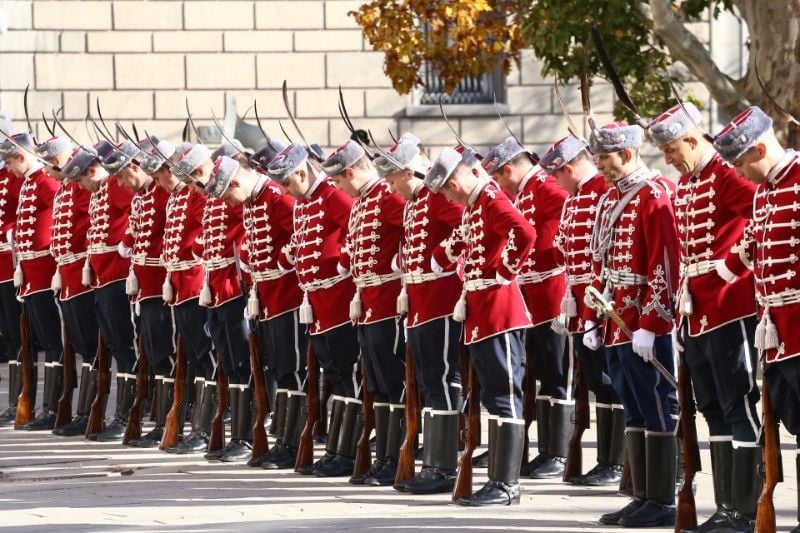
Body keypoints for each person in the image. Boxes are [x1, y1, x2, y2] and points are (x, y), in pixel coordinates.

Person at [650, 102, 761, 532]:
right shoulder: (691, 181)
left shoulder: (726, 175)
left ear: (694, 140)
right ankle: (727, 506)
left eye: (673, 149)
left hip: (729, 304)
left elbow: (764, 211)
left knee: (738, 405)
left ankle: (748, 508)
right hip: (695, 308)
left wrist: (737, 261)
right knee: (712, 407)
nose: (669, 159)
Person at [425, 146, 535, 506]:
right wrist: (443, 255)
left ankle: (507, 484)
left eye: (448, 189)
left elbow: (525, 232)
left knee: (505, 395)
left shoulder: (488, 196)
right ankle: (499, 480)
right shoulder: (477, 203)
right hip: (479, 310)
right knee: (492, 394)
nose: (449, 196)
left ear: (457, 179)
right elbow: (470, 238)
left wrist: (504, 271)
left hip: (498, 309)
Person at [583, 122, 680, 528]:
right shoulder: (611, 199)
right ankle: (642, 495)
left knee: (656, 405)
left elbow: (663, 261)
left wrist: (652, 323)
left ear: (626, 153)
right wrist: (593, 317)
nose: (599, 166)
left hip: (640, 318)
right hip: (614, 317)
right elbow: (601, 262)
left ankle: (661, 500)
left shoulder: (655, 195)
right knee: (633, 408)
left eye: (604, 158)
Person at [713, 106, 800, 533]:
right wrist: (726, 268)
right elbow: (754, 242)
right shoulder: (766, 191)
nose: (738, 173)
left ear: (761, 148)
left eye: (741, 162)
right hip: (777, 330)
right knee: (794, 422)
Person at [375, 133, 464, 494]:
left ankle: (443, 467)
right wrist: (406, 262)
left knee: (443, 380)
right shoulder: (415, 202)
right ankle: (433, 460)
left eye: (393, 180)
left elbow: (467, 225)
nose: (390, 187)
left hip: (441, 301)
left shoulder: (436, 196)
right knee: (428, 382)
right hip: (419, 303)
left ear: (410, 172)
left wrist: (439, 259)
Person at [268, 143, 362, 477]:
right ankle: (337, 448)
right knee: (332, 373)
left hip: (337, 298)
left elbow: (359, 227)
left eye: (288, 183)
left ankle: (349, 451)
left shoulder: (332, 196)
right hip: (316, 303)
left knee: (344, 374)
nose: (285, 191)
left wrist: (342, 262)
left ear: (301, 172)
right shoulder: (306, 203)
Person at [484, 137, 572, 479]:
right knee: (534, 372)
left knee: (556, 374)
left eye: (501, 178)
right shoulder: (524, 191)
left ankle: (558, 452)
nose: (500, 186)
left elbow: (573, 214)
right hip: (529, 296)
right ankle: (540, 449)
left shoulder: (546, 187)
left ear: (509, 169)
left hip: (551, 293)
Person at [540, 135, 624, 486]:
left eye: (557, 174)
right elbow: (567, 250)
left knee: (611, 381)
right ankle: (606, 459)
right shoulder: (577, 197)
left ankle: (616, 462)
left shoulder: (604, 191)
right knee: (595, 382)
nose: (554, 182)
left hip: (601, 303)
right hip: (578, 303)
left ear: (569, 168)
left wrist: (596, 310)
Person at [322, 140, 407, 486]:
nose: (338, 188)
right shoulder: (363, 202)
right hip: (368, 303)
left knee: (392, 383)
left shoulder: (388, 199)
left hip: (388, 303)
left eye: (340, 180)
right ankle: (384, 456)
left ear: (351, 172)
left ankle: (395, 457)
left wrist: (403, 262)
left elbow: (418, 231)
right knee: (378, 384)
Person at [174, 142, 252, 463]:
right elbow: (198, 229)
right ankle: (227, 431)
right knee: (226, 361)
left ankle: (246, 436)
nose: (199, 185)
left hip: (234, 287)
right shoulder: (203, 197)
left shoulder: (233, 192)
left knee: (241, 361)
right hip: (215, 286)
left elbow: (247, 228)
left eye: (200, 176)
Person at [61, 142, 136, 441]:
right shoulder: (99, 191)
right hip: (101, 277)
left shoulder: (114, 187)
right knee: (114, 347)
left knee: (125, 348)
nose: (79, 185)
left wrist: (126, 242)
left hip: (117, 274)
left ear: (92, 170)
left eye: (81, 178)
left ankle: (126, 414)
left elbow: (137, 212)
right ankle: (108, 412)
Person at [110, 140, 174, 448]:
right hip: (143, 285)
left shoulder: (163, 193)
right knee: (152, 351)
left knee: (165, 354)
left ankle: (169, 418)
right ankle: (160, 417)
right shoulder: (142, 197)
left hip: (162, 283)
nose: (120, 183)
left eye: (123, 176)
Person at [0, 132, 63, 431]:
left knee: (52, 341)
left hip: (45, 270)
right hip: (28, 271)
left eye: (10, 161)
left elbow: (63, 214)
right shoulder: (30, 182)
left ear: (22, 157)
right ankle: (35, 405)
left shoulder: (46, 182)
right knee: (28, 338)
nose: (8, 168)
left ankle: (54, 406)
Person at [41, 136, 102, 437]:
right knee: (79, 343)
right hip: (67, 272)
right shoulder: (66, 187)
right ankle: (80, 409)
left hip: (82, 272)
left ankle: (90, 410)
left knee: (91, 345)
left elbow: (92, 226)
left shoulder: (79, 187)